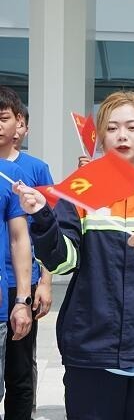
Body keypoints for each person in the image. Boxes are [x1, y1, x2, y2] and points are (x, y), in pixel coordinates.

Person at [13, 91, 134, 419]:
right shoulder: (80, 192)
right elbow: (63, 260)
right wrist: (43, 218)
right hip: (91, 349)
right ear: (101, 137)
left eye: (132, 127)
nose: (122, 135)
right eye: (112, 128)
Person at [0, 94, 52, 420]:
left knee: (19, 371)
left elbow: (47, 230)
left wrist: (44, 281)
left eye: (4, 117)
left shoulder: (32, 170)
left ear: (19, 122)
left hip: (20, 282)